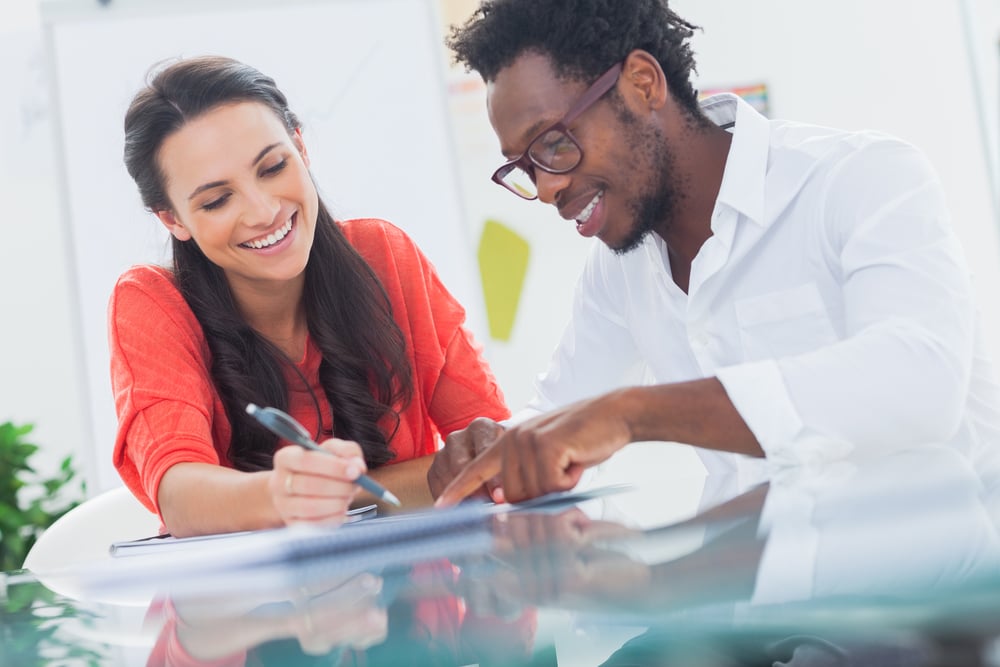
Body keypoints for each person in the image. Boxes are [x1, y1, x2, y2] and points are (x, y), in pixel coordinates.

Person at [432, 0, 1000, 505]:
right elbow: (561, 415)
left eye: (553, 144)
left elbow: (918, 383)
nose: (548, 187)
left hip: (935, 598)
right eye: (524, 167)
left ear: (642, 83)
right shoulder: (618, 272)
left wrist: (632, 415)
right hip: (761, 605)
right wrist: (497, 447)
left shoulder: (858, 178)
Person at [110, 56, 509, 536]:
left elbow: (492, 457)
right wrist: (287, 494)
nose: (263, 211)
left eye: (274, 166)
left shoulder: (385, 256)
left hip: (423, 601)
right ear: (172, 220)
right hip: (256, 609)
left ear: (300, 146)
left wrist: (343, 494)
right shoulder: (151, 303)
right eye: (216, 200)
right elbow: (180, 497)